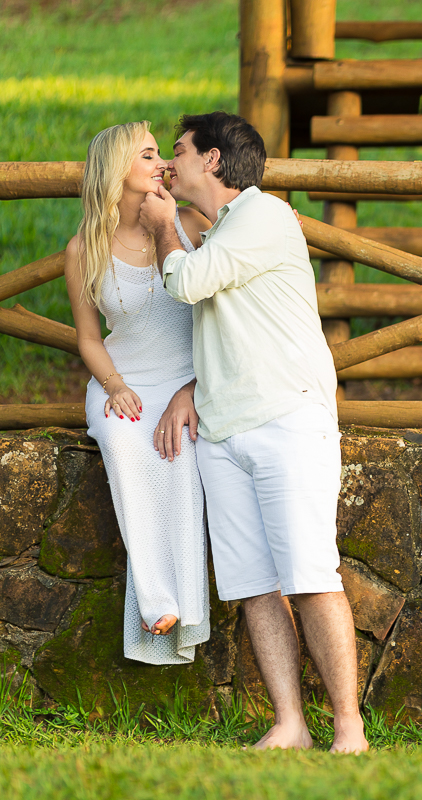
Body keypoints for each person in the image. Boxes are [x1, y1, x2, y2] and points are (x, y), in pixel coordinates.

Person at [139, 111, 368, 754]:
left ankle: (348, 728)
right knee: (252, 587)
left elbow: (187, 285)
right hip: (223, 433)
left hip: (287, 422)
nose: (168, 163)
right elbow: (224, 325)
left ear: (212, 160)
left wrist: (161, 227)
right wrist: (191, 387)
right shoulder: (220, 236)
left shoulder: (265, 216)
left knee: (311, 576)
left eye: (177, 151)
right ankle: (290, 724)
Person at [64, 121, 212, 664]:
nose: (161, 164)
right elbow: (87, 337)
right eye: (147, 155)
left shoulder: (187, 222)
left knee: (180, 457)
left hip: (184, 383)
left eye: (159, 155)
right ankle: (155, 602)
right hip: (122, 380)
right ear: (115, 171)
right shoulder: (85, 247)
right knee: (124, 444)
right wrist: (114, 385)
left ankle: (185, 608)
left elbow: (240, 235)